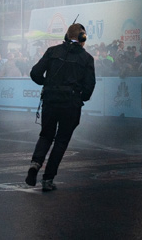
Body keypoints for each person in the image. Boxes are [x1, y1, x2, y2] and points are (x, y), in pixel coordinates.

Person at [25, 23, 96, 191]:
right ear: (82, 38)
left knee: (46, 135)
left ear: (66, 36)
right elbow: (89, 87)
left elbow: (35, 73)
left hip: (50, 100)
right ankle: (48, 179)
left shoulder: (52, 51)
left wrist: (47, 84)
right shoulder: (87, 59)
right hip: (71, 103)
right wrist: (81, 98)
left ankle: (35, 164)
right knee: (61, 141)